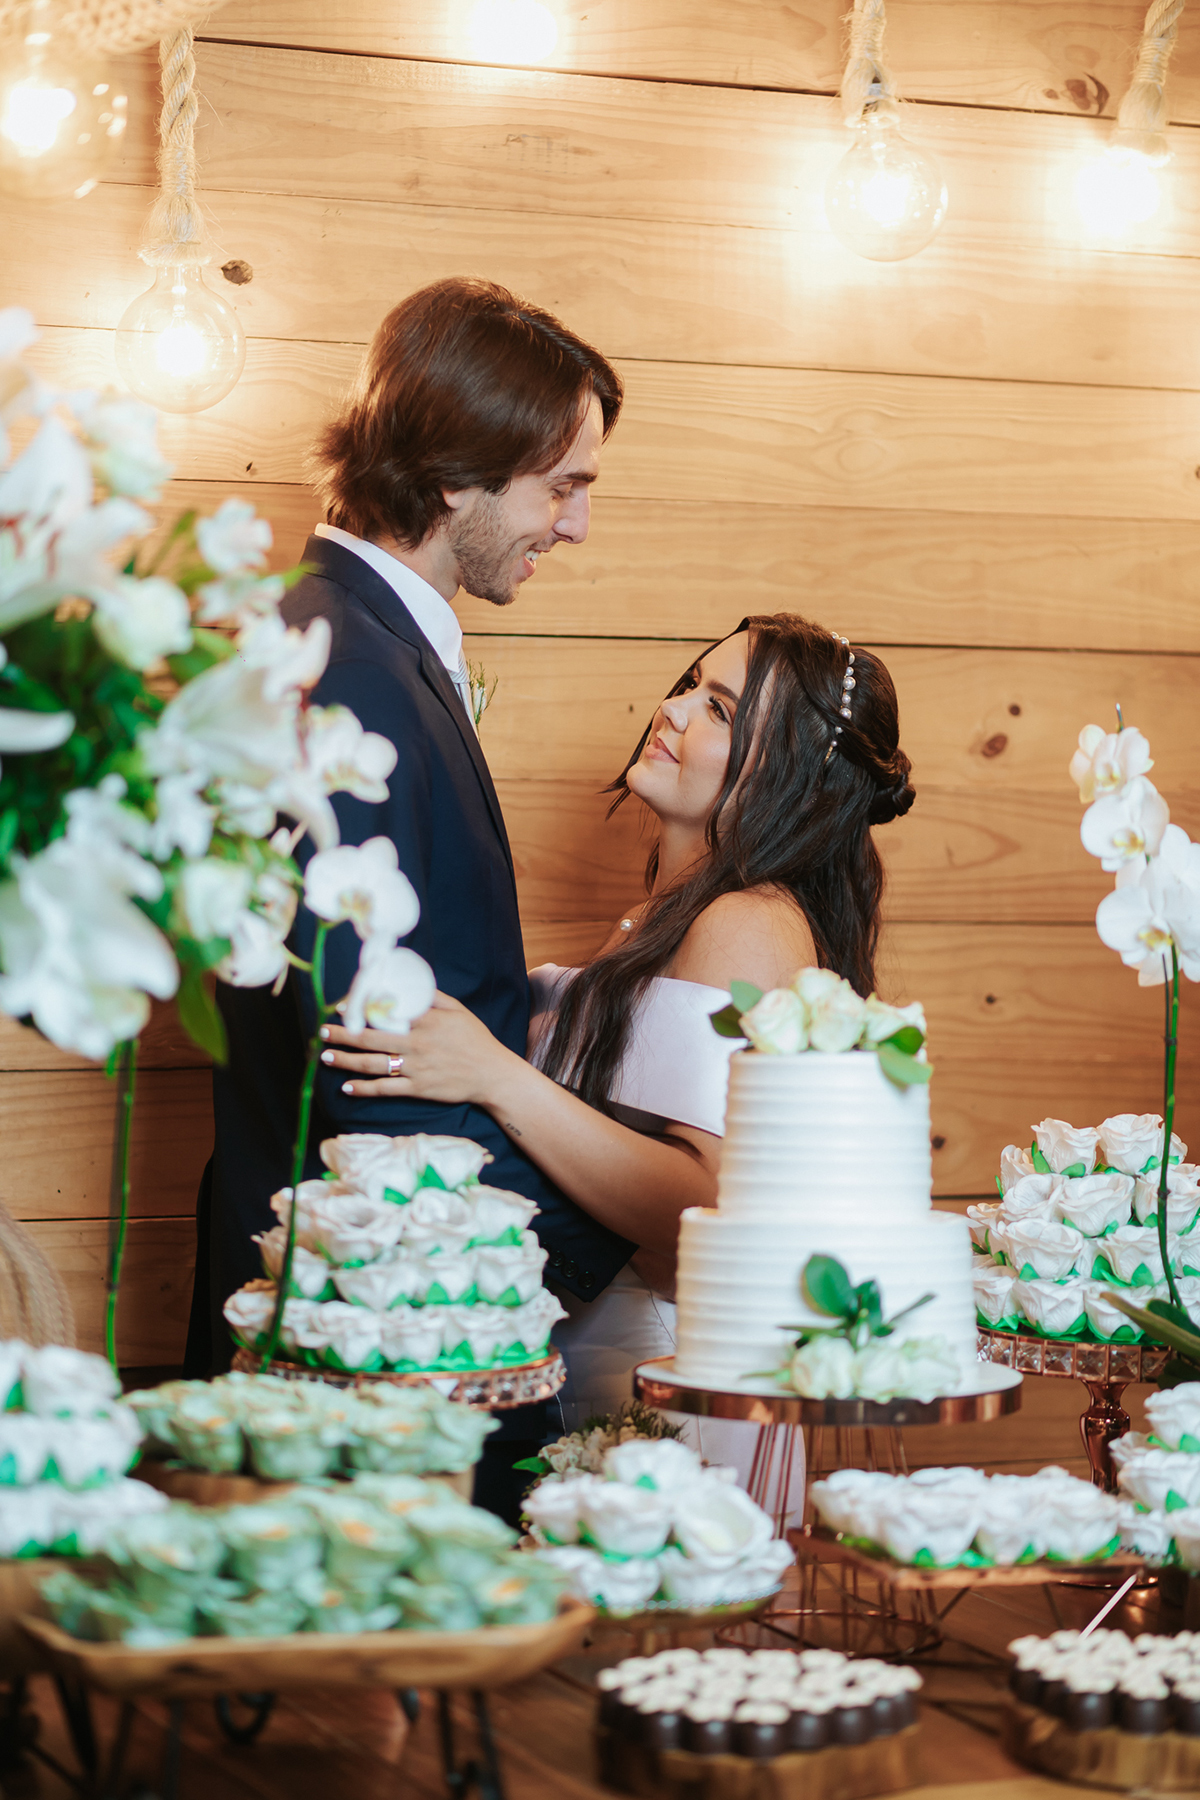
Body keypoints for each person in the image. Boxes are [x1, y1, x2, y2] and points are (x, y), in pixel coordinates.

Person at [184, 277, 634, 1521]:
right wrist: (570, 1254)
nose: (577, 527)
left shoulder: (341, 637)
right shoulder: (352, 671)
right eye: (562, 487)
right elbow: (364, 1060)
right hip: (380, 1357)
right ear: (455, 480)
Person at [319, 613, 916, 1496]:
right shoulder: (661, 923)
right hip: (578, 1352)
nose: (671, 712)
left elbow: (701, 1208)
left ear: (789, 774)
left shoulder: (746, 925)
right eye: (689, 686)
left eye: (719, 711)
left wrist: (496, 1075)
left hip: (650, 1382)